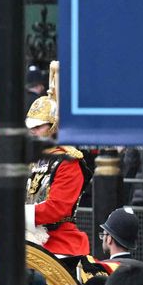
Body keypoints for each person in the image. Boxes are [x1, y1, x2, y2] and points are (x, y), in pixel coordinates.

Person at [24, 97, 91, 261]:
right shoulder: (34, 159)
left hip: (60, 241)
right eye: (30, 126)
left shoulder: (69, 161)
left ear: (53, 126)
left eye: (38, 126)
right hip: (30, 234)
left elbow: (56, 208)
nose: (32, 131)